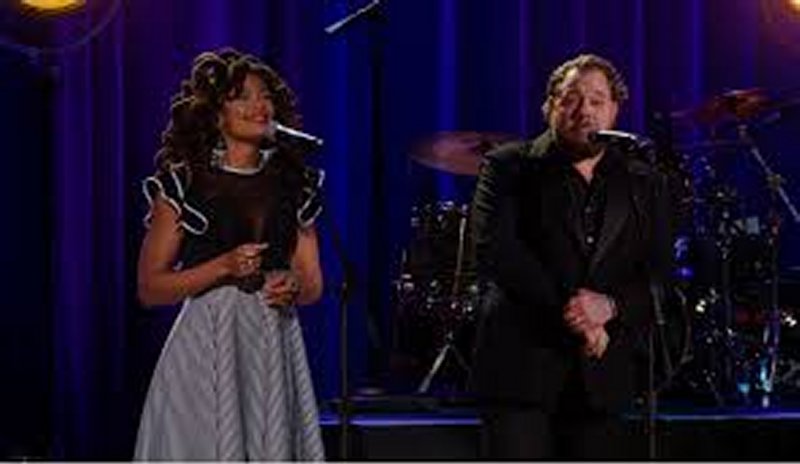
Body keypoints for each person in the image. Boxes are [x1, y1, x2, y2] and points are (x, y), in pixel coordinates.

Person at [470, 53, 673, 460]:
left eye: (597, 100)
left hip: (603, 373)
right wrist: (580, 317)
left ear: (614, 110)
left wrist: (610, 306)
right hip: (522, 367)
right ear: (550, 106)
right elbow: (498, 253)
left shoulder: (642, 180)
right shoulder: (509, 166)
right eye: (571, 99)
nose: (585, 111)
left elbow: (659, 274)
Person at [134, 48, 325, 461]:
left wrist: (293, 285)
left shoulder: (294, 183)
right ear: (217, 114)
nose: (259, 106)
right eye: (242, 97)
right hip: (209, 343)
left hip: (272, 339)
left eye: (265, 96)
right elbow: (150, 288)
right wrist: (222, 267)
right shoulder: (184, 184)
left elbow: (312, 282)